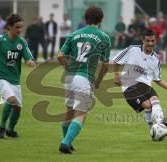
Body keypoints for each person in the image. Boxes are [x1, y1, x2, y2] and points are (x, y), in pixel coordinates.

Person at [57, 6, 111, 154]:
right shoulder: (104, 37)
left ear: (85, 19)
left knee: (69, 110)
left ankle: (67, 141)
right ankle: (65, 142)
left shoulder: (73, 34)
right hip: (84, 78)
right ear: (101, 20)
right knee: (81, 113)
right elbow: (105, 65)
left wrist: (69, 69)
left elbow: (60, 56)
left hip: (69, 78)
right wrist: (98, 81)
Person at [113, 29, 167, 133]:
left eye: (152, 41)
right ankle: (159, 123)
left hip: (145, 86)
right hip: (129, 85)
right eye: (148, 41)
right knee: (148, 105)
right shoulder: (132, 50)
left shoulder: (156, 59)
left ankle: (158, 124)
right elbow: (115, 61)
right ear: (142, 40)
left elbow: (158, 79)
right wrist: (116, 77)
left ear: (155, 40)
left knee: (154, 100)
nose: (150, 43)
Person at [0, 14, 35, 138]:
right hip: (0, 77)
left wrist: (29, 61)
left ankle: (10, 130)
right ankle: (1, 127)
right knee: (11, 101)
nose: (19, 30)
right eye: (17, 27)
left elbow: (28, 56)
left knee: (17, 107)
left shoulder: (22, 42)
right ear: (10, 27)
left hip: (15, 79)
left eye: (21, 27)